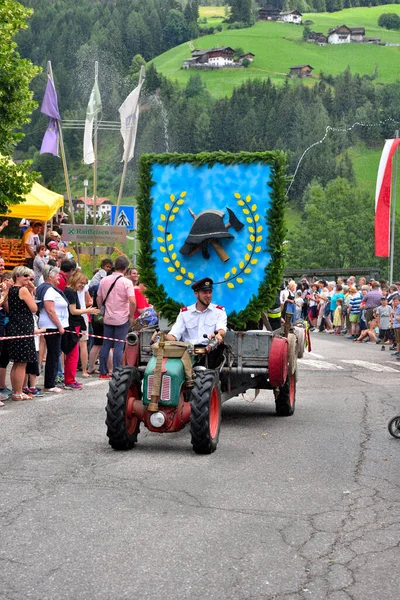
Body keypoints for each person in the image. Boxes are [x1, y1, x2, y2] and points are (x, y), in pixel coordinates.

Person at [97, 256, 136, 379]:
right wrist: (131, 315)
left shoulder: (104, 280)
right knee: (119, 346)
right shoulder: (127, 282)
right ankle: (117, 371)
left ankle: (103, 372)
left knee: (106, 345)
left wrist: (102, 311)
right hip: (122, 318)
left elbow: (98, 297)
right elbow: (132, 301)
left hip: (108, 317)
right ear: (125, 269)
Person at [5, 266, 38, 401]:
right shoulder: (22, 290)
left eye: (29, 276)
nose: (28, 279)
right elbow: (34, 308)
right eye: (25, 276)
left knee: (17, 362)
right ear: (17, 276)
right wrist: (31, 290)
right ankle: (18, 392)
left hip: (14, 326)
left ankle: (15, 391)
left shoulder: (11, 290)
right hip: (23, 327)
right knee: (21, 362)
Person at [164, 278, 227, 347]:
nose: (208, 296)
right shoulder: (185, 313)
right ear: (196, 294)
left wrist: (218, 334)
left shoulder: (219, 311)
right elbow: (174, 335)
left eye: (210, 292)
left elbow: (221, 329)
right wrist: (161, 336)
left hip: (211, 351)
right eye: (205, 292)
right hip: (189, 352)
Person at [63, 271, 99, 390]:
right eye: (81, 283)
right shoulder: (71, 292)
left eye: (84, 284)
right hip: (73, 325)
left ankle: (70, 379)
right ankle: (69, 380)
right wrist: (87, 311)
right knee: (73, 354)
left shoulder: (70, 291)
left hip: (74, 324)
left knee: (73, 354)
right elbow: (73, 311)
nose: (82, 286)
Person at [36, 266, 69, 393]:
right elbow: (50, 309)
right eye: (57, 275)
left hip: (51, 325)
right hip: (52, 326)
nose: (59, 278)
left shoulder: (46, 288)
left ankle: (50, 382)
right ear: (50, 276)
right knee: (54, 355)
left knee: (54, 354)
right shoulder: (49, 290)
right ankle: (49, 384)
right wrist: (59, 325)